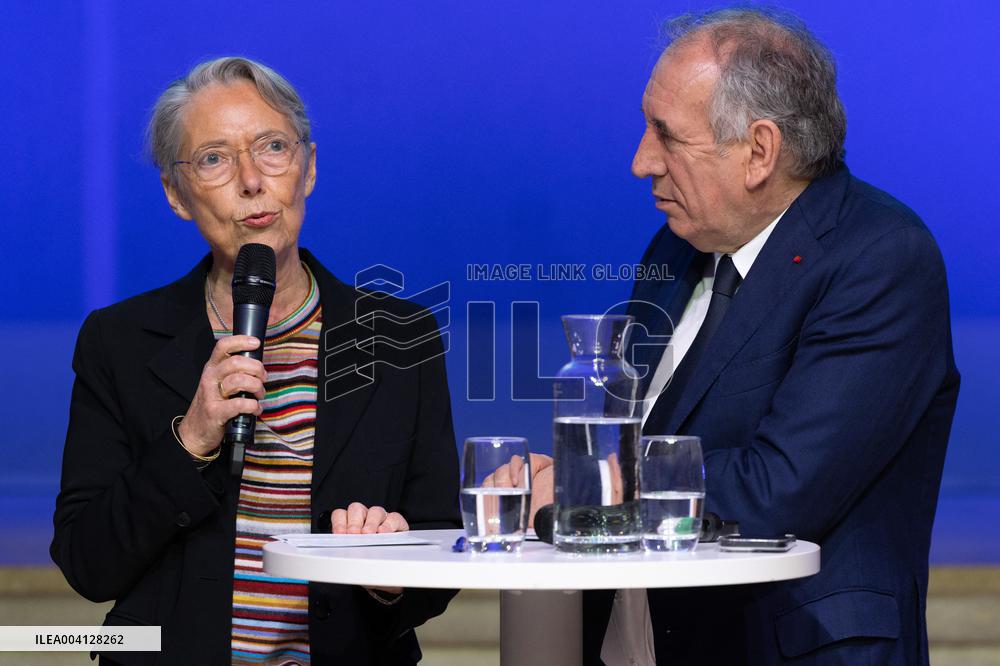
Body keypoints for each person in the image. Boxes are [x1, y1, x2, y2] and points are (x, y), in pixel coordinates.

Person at [529, 7, 959, 665]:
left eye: (666, 136)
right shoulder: (672, 252)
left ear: (759, 151)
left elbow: (778, 489)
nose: (641, 161)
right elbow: (639, 433)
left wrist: (590, 485)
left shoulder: (880, 257)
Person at [51, 57, 460, 665]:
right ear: (176, 193)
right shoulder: (121, 341)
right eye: (214, 158)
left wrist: (388, 574)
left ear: (309, 168)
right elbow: (88, 563)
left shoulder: (401, 335)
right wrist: (189, 441)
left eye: (272, 148)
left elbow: (438, 550)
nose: (250, 180)